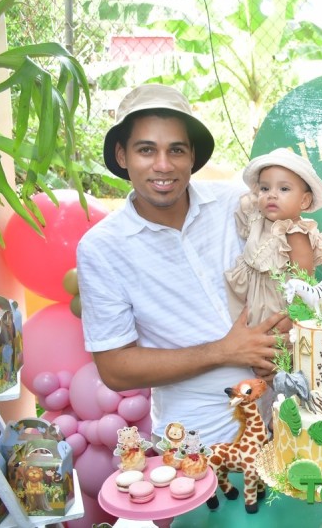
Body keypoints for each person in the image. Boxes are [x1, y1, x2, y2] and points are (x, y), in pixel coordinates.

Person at [77, 84, 290, 446]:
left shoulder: (235, 205)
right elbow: (114, 368)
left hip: (283, 419)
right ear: (122, 155)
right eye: (146, 150)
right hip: (196, 440)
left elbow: (288, 269)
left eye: (176, 149)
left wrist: (285, 330)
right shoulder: (102, 248)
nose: (163, 165)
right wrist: (224, 350)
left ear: (192, 155)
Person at [225, 148, 322, 326]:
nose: (272, 194)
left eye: (284, 189)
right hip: (251, 301)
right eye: (265, 188)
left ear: (304, 201)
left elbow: (304, 281)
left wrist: (293, 317)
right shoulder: (257, 219)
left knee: (274, 339)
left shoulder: (295, 234)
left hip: (278, 307)